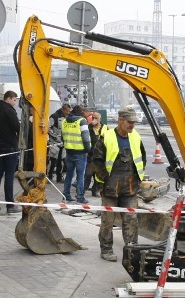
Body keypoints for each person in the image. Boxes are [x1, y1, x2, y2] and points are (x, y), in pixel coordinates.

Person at [91, 107, 147, 262]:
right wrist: (105, 180)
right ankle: (106, 249)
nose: (132, 125)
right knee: (108, 220)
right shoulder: (107, 137)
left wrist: (138, 179)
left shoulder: (135, 137)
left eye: (134, 122)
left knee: (131, 219)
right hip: (110, 187)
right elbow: (97, 161)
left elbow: (142, 158)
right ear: (120, 120)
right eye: (129, 122)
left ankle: (132, 250)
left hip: (130, 187)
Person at [0, 90, 21, 214]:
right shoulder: (9, 111)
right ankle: (9, 205)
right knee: (9, 175)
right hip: (10, 147)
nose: (15, 102)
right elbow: (17, 127)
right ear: (8, 99)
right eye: (14, 99)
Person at [62, 104, 92, 203]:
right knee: (80, 176)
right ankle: (80, 197)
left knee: (69, 174)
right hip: (80, 152)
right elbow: (85, 138)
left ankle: (66, 195)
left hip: (69, 151)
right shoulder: (82, 121)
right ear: (81, 112)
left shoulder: (65, 121)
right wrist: (88, 149)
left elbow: (63, 136)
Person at [84, 111, 107, 197]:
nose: (94, 119)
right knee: (88, 174)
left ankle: (95, 190)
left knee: (98, 175)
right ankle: (83, 189)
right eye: (93, 118)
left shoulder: (105, 128)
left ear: (100, 119)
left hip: (100, 155)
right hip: (90, 155)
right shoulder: (89, 127)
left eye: (96, 118)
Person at [47, 103, 71, 182]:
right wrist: (55, 137)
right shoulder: (54, 116)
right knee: (53, 160)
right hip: (54, 143)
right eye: (67, 111)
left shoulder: (67, 117)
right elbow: (48, 128)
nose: (68, 112)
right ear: (63, 109)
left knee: (62, 161)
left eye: (69, 111)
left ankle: (59, 177)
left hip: (63, 143)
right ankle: (49, 176)